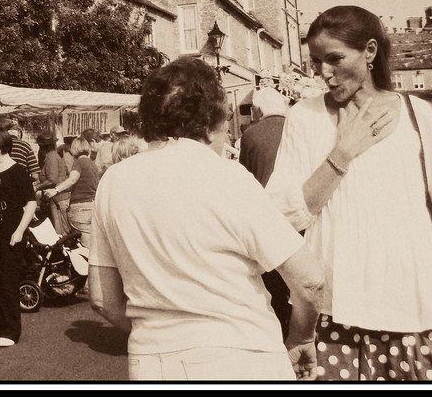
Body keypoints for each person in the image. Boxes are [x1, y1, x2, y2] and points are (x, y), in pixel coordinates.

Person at [267, 5, 432, 381]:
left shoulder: (417, 113)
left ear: (371, 52)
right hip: (337, 311)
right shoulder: (306, 117)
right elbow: (283, 215)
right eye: (315, 61)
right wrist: (341, 153)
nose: (323, 73)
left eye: (334, 59)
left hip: (415, 307)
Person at [90, 58, 325, 381]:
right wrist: (302, 337)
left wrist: (169, 339)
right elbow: (310, 279)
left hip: (152, 362)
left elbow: (103, 299)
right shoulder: (227, 177)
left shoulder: (113, 181)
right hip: (240, 355)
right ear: (210, 122)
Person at [238, 86, 293, 339]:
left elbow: (245, 179)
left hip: (267, 217)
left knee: (274, 280)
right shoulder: (298, 129)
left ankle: (280, 330)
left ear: (259, 110)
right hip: (302, 214)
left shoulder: (251, 135)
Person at [0, 126, 37, 348]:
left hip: (10, 236)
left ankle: (11, 330)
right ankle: (0, 323)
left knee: (8, 283)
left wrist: (20, 230)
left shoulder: (17, 171)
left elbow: (31, 202)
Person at [41, 132, 100, 248]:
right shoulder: (93, 164)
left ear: (74, 149)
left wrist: (55, 190)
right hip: (92, 206)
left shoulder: (79, 162)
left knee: (85, 247)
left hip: (79, 209)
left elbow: (72, 179)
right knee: (94, 245)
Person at [36, 131, 70, 236]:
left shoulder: (51, 157)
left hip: (59, 199)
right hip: (57, 198)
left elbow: (52, 180)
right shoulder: (51, 157)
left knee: (61, 232)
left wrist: (37, 187)